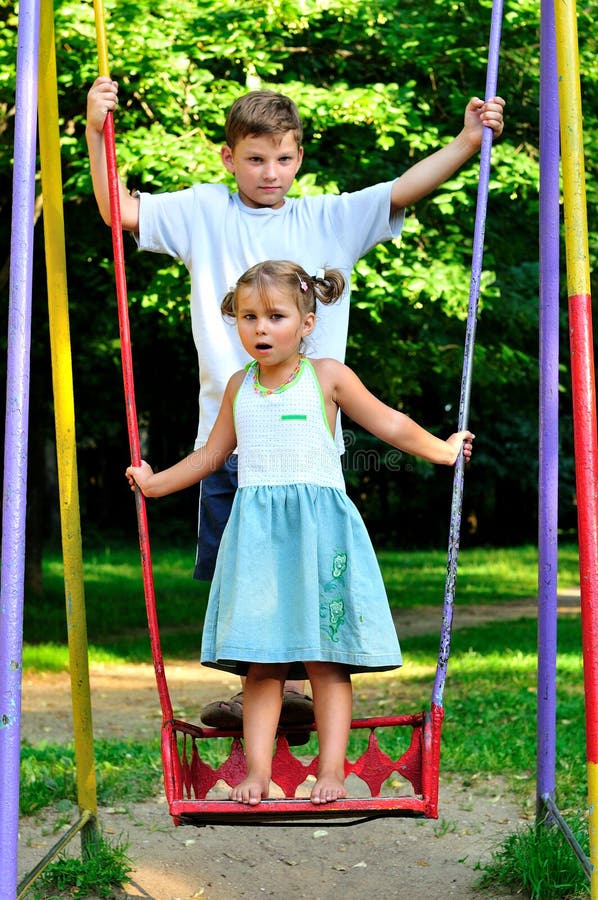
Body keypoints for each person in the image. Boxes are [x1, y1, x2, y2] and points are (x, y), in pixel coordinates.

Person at [87, 79, 502, 729]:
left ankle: (298, 692)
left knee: (305, 579)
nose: (270, 172)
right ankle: (259, 690)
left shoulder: (327, 220)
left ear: (300, 156)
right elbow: (120, 210)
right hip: (226, 440)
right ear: (229, 158)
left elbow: (403, 188)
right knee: (239, 584)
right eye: (254, 159)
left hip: (306, 453)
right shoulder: (202, 212)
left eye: (283, 158)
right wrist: (93, 129)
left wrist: (467, 142)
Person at [126, 260, 474, 805]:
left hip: (320, 535)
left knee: (325, 659)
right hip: (258, 543)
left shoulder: (327, 375)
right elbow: (213, 455)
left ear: (306, 323)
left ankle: (331, 770)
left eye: (275, 316)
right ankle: (258, 773)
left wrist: (442, 449)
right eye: (247, 317)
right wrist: (155, 485)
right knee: (261, 663)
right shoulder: (240, 386)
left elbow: (388, 422)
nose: (260, 328)